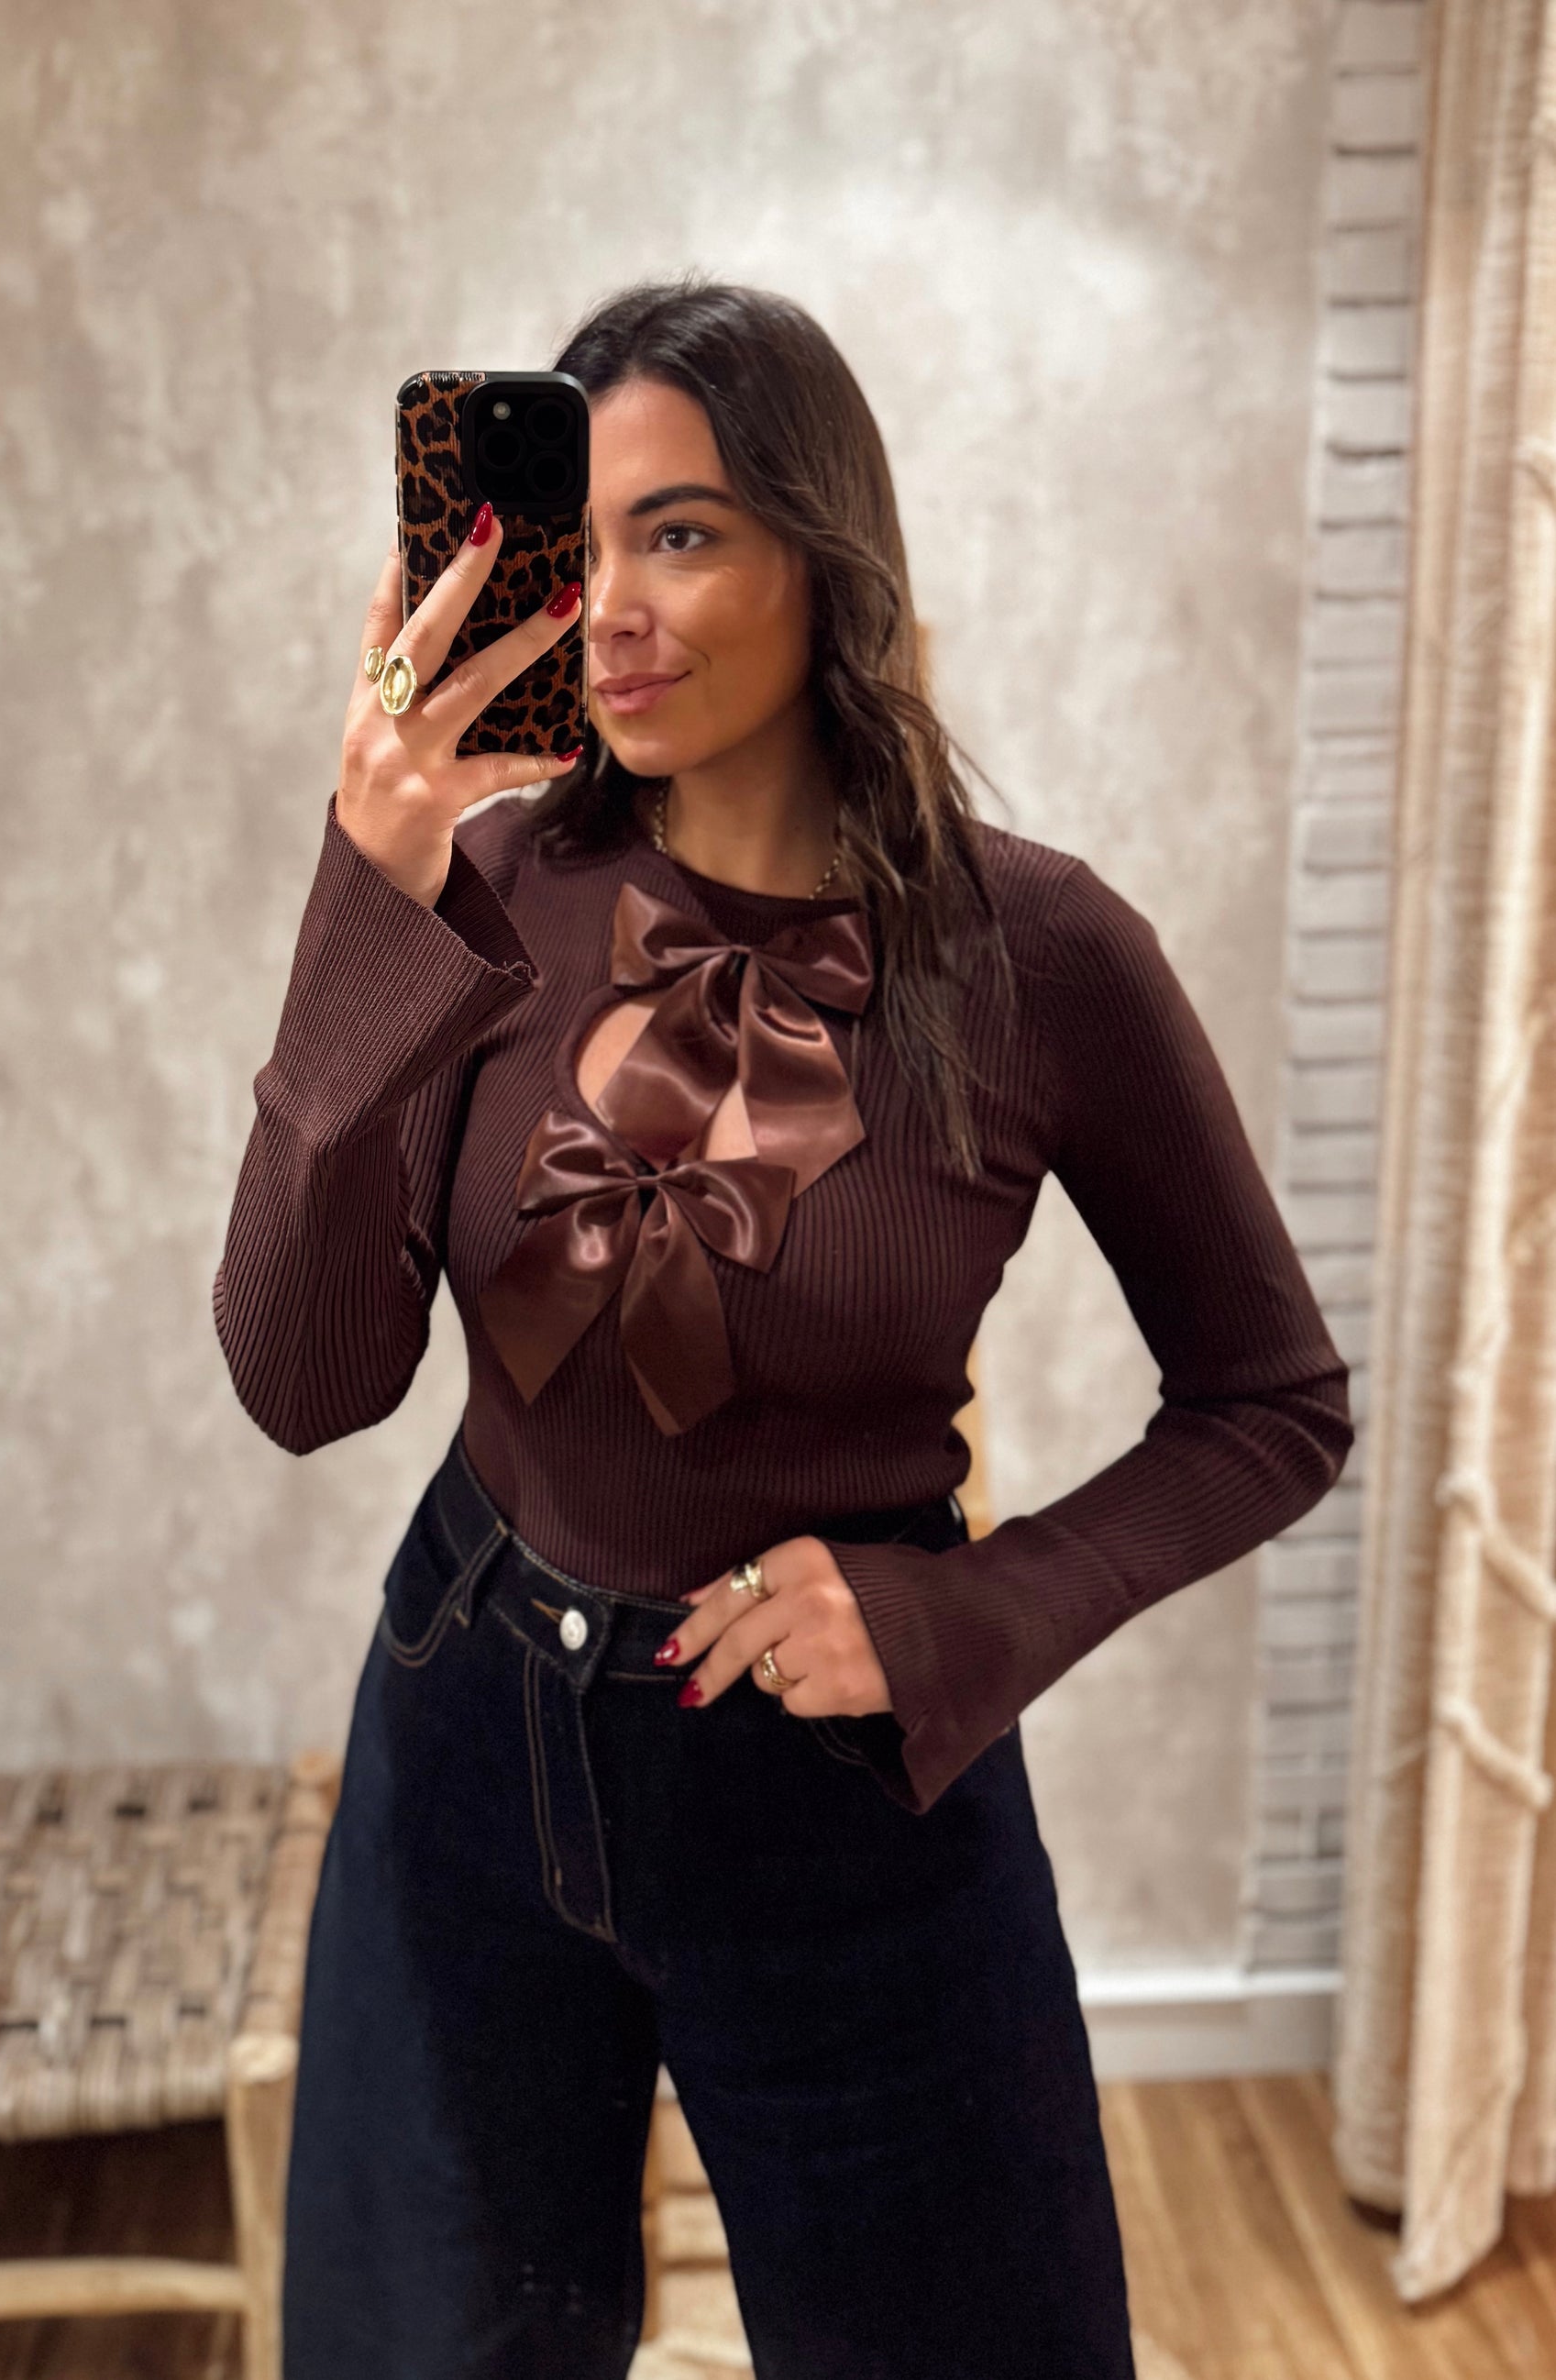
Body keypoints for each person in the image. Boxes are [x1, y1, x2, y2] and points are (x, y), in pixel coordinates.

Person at [212, 277, 1352, 2380]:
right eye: (583, 541)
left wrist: (966, 1612)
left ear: (826, 555)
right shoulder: (480, 881)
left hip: (840, 1785)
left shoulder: (1042, 952)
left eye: (684, 532)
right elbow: (302, 1383)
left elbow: (1272, 1401)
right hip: (471, 1729)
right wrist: (367, 888)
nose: (614, 610)